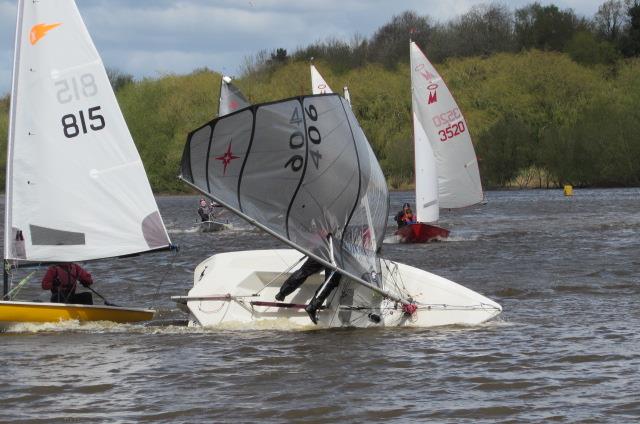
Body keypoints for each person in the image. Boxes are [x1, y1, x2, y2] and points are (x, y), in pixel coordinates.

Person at [275, 257, 342, 325]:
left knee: (304, 271)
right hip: (336, 254)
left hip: (321, 250)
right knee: (332, 280)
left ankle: (282, 292)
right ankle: (312, 307)